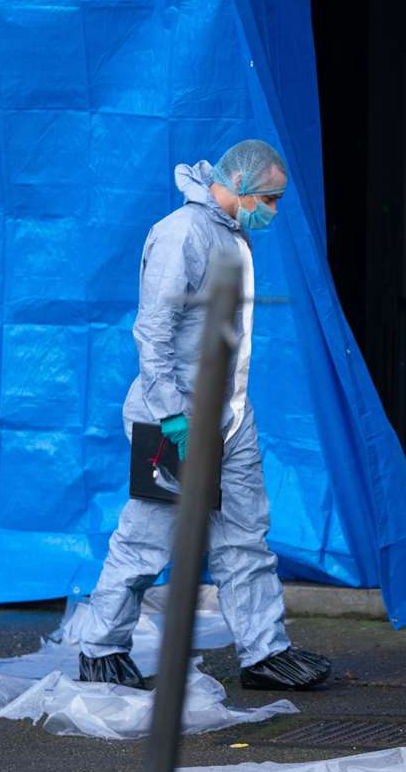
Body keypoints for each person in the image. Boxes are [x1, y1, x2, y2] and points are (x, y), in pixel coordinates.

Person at [77, 139, 332, 692]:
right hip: (176, 419)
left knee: (245, 537)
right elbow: (154, 330)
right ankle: (100, 645)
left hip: (229, 416)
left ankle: (265, 651)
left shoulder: (230, 234)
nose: (273, 210)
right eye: (269, 198)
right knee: (148, 538)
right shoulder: (183, 234)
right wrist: (171, 416)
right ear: (239, 186)